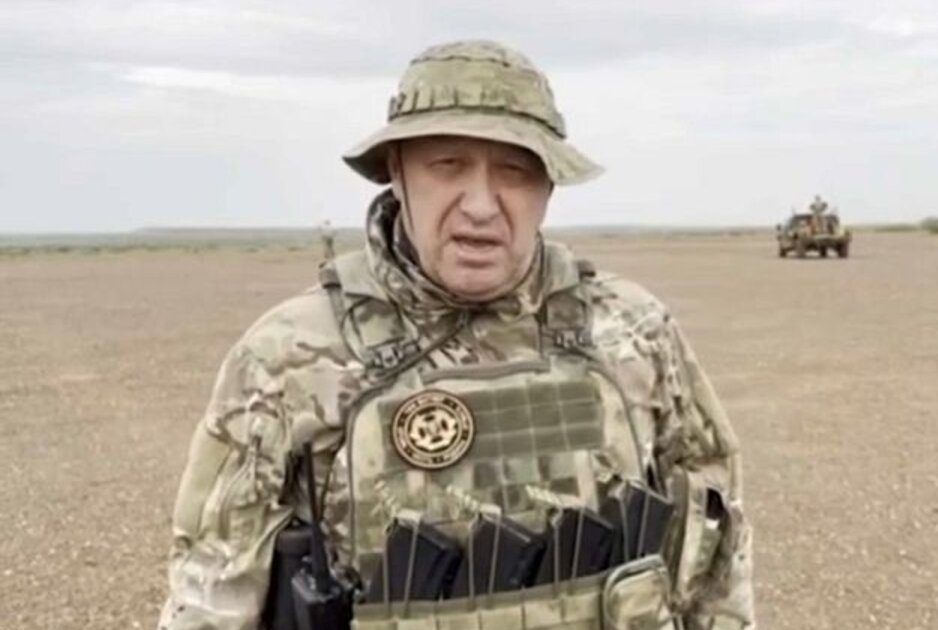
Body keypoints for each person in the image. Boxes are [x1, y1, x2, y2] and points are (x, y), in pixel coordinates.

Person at [157, 39, 755, 630]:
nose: (481, 205)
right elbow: (210, 595)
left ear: (548, 186)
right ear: (397, 173)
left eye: (515, 171)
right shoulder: (288, 357)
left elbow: (714, 551)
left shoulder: (634, 331)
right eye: (448, 165)